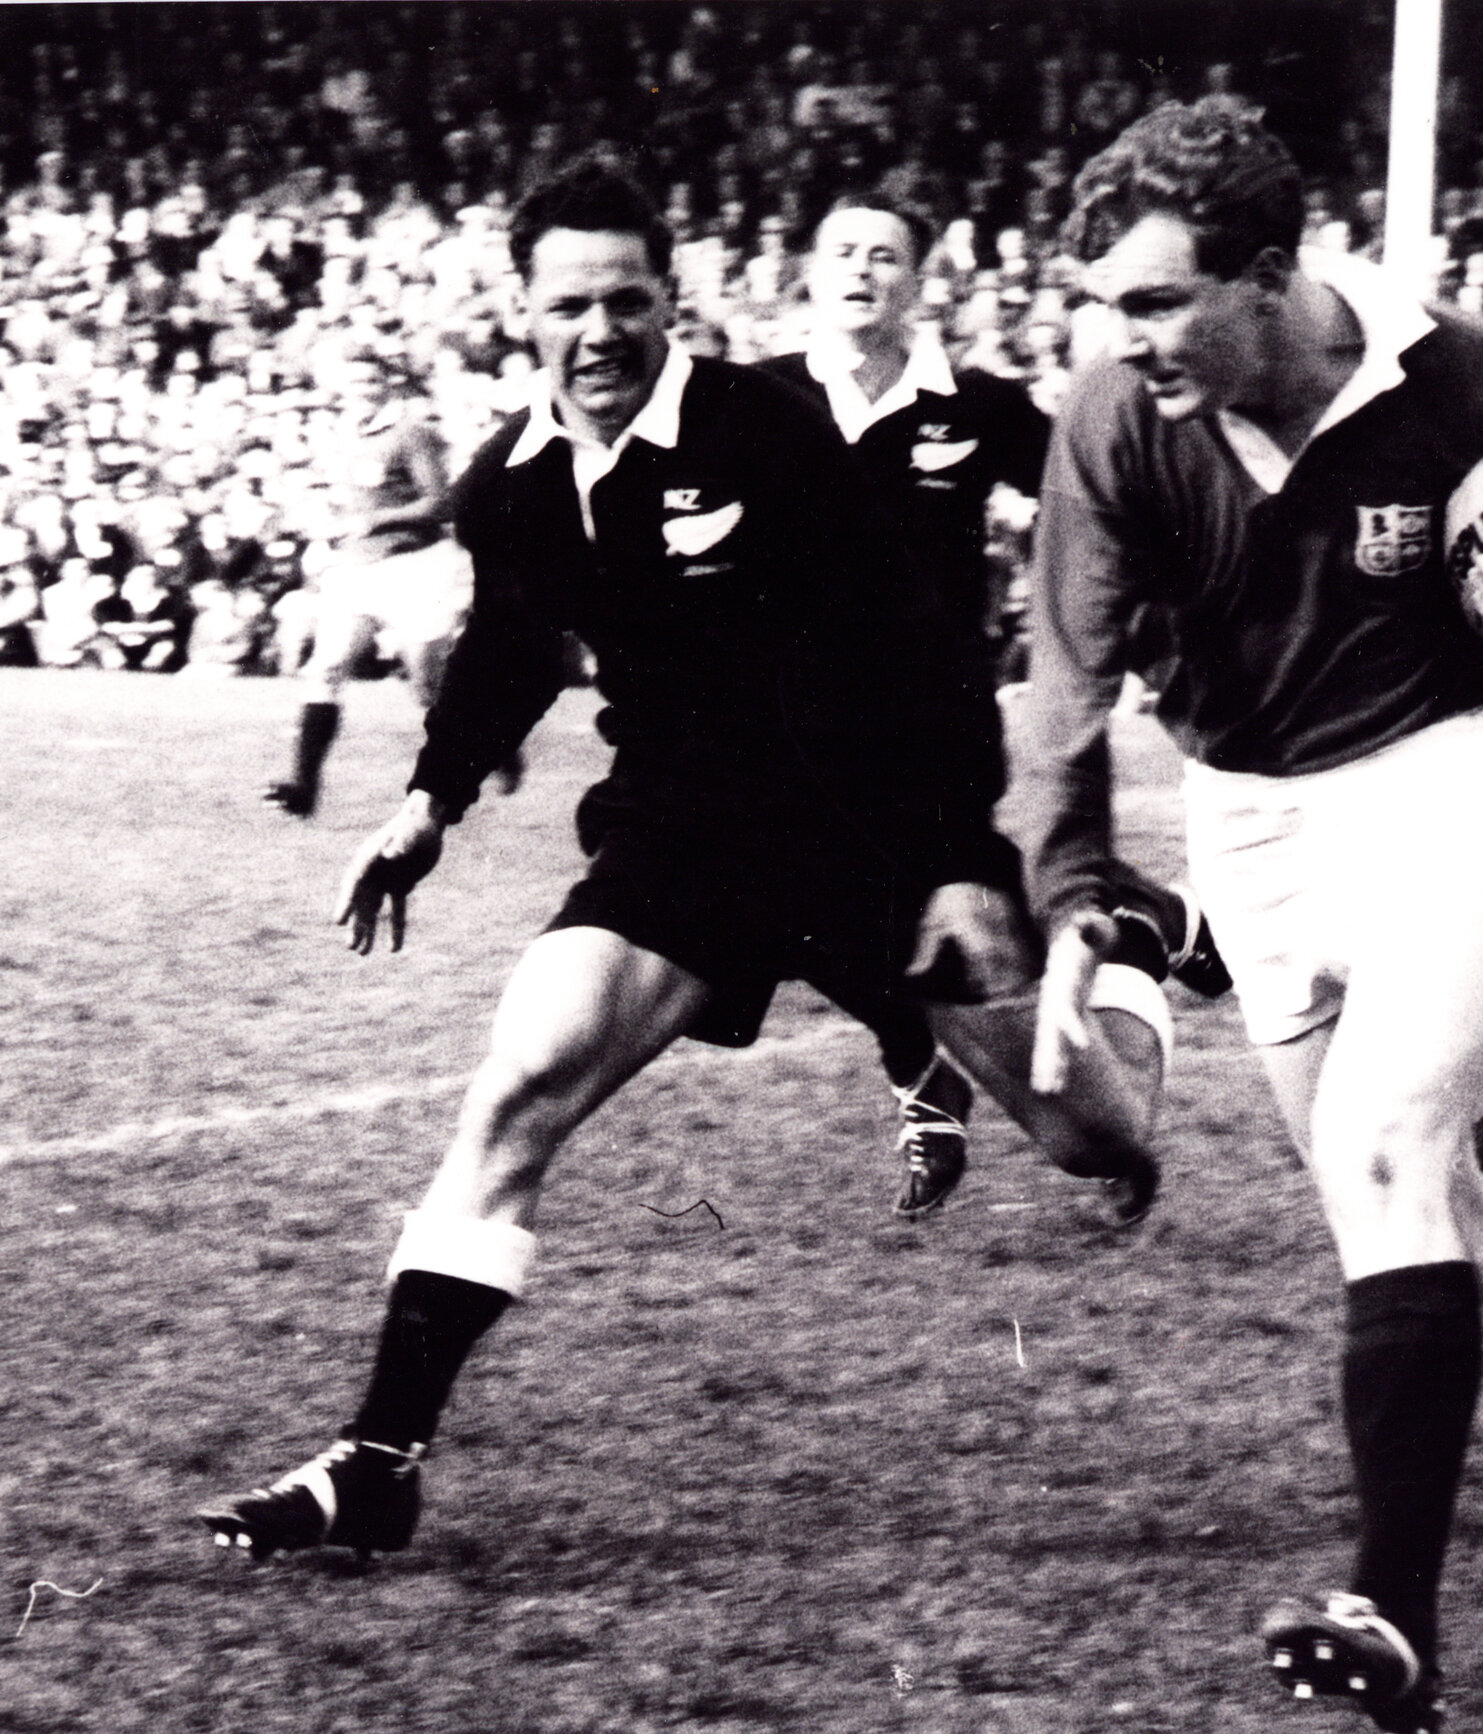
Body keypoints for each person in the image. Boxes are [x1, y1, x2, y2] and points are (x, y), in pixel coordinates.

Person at [198, 157, 1170, 1564]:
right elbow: (511, 650)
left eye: (626, 300)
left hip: (867, 833)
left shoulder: (765, 433)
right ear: (521, 311)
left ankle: (1131, 979)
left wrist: (960, 858)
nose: (597, 332)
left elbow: (908, 646)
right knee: (519, 1082)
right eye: (567, 305)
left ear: (671, 302)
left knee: (1092, 1132)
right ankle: (378, 1457)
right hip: (683, 838)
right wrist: (426, 803)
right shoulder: (515, 483)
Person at [1023, 100, 1483, 1733]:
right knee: (1436, 1211)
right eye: (1101, 307)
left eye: (1151, 304)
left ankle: (1394, 1617)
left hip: (1451, 786)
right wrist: (1073, 885)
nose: (1118, 340)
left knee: (1377, 1141)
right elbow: (1065, 677)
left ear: (1270, 272)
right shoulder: (1116, 418)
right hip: (1252, 826)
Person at [755, 191, 1230, 1217]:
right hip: (802, 729)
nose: (861, 269)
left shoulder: (970, 404)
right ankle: (943, 1076)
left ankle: (1135, 933)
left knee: (975, 913)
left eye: (886, 255)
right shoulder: (755, 403)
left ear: (918, 284)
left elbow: (1094, 494)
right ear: (807, 272)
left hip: (939, 723)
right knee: (803, 909)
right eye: (842, 251)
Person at [263, 359, 488, 818]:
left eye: (369, 381)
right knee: (325, 667)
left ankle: (490, 746)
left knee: (427, 686)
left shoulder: (411, 433)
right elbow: (345, 500)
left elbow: (441, 502)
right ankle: (303, 787)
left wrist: (373, 520)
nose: (360, 390)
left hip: (417, 565)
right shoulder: (341, 436)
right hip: (359, 569)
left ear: (388, 385)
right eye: (352, 382)